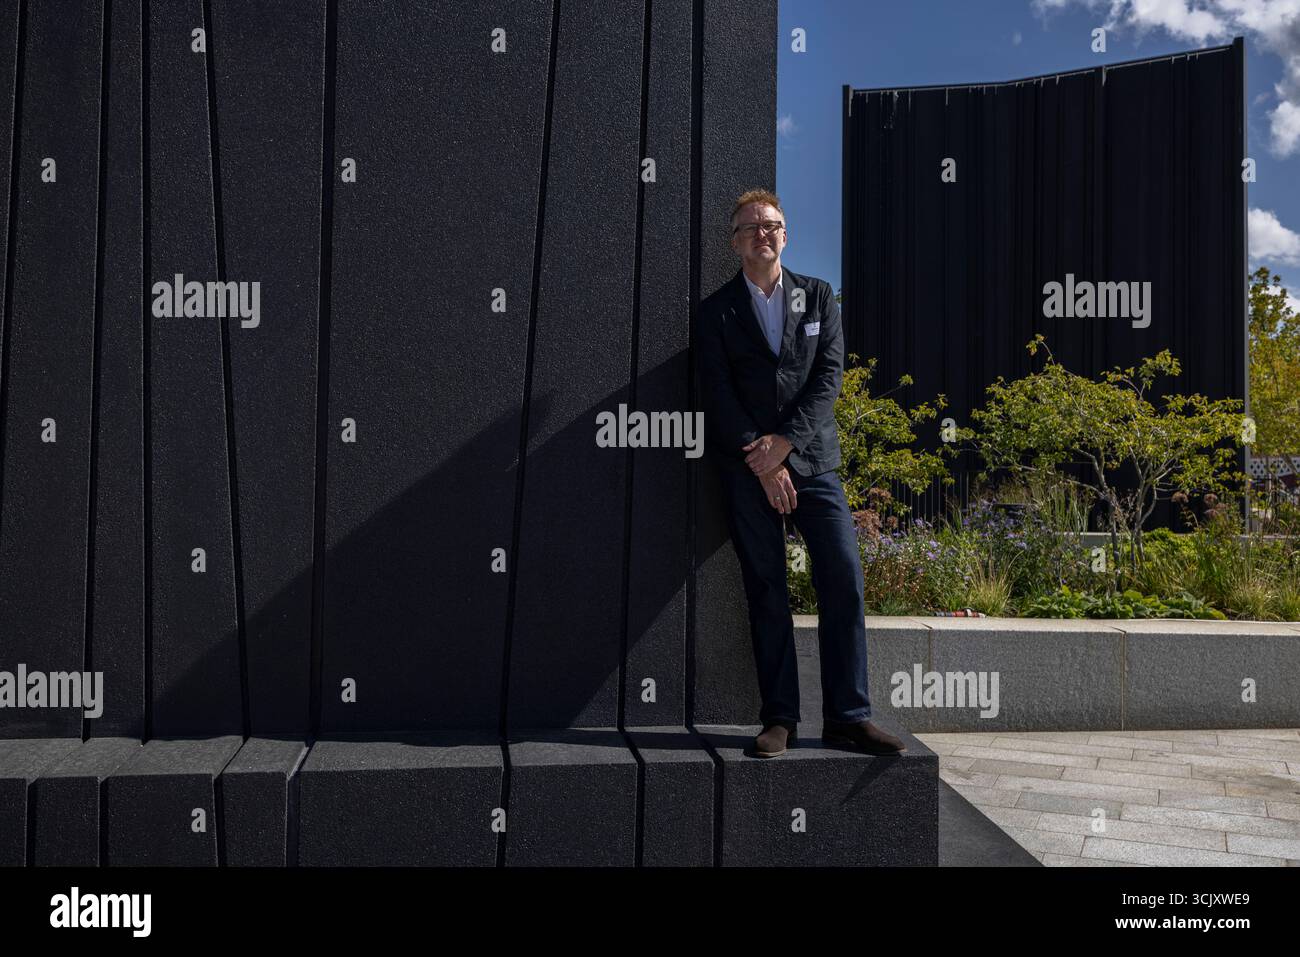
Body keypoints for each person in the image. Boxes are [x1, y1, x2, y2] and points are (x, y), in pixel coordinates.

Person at [696, 188, 905, 759]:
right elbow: (717, 391)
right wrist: (760, 461)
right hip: (748, 473)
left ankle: (848, 716)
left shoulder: (818, 297)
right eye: (751, 227)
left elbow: (827, 381)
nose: (763, 233)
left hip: (814, 466)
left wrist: (783, 448)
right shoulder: (716, 311)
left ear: (785, 235)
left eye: (773, 225)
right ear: (735, 242)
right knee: (767, 590)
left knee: (842, 577)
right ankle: (779, 718)